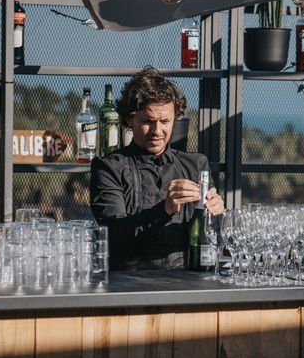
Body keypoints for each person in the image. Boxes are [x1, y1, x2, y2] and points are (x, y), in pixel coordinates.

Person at [90, 67, 225, 270]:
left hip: (188, 284)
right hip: (127, 286)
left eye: (165, 121)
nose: (157, 131)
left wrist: (218, 216)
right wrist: (164, 209)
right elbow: (113, 235)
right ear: (129, 120)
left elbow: (211, 238)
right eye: (148, 121)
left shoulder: (196, 164)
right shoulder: (109, 167)